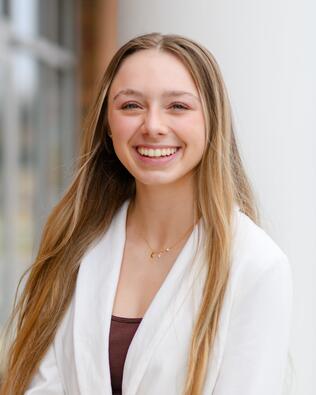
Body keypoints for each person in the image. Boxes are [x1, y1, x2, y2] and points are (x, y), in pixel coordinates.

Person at [0, 33, 293, 395]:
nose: (153, 125)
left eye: (178, 107)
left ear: (213, 120)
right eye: (131, 106)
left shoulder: (256, 264)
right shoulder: (73, 242)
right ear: (108, 123)